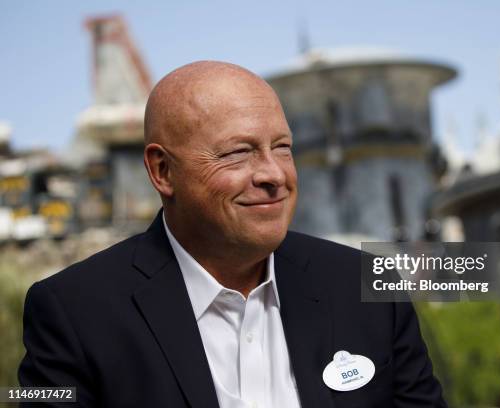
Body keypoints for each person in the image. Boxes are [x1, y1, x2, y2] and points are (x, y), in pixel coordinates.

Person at [19, 61, 446, 407]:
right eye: (239, 152)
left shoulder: (367, 287)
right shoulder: (72, 312)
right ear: (162, 171)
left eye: (283, 147)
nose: (274, 174)